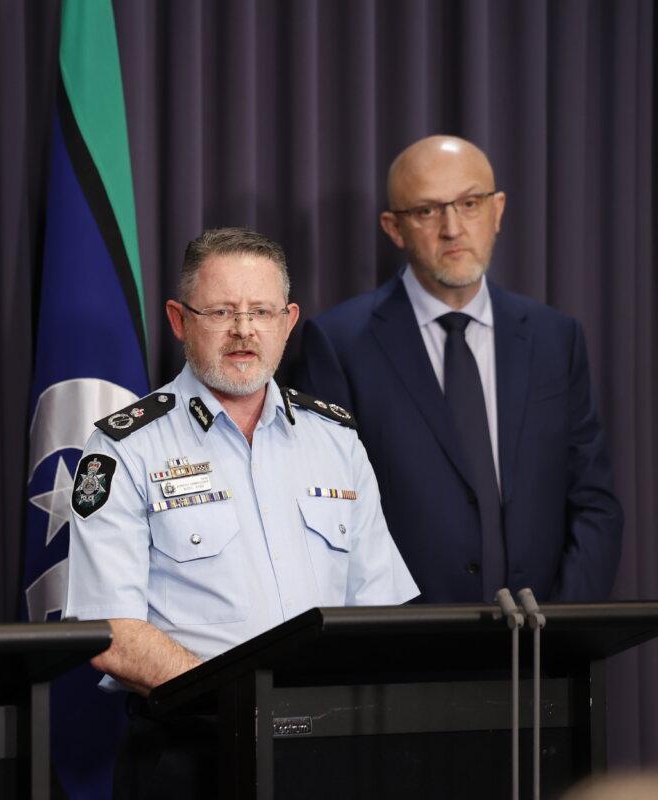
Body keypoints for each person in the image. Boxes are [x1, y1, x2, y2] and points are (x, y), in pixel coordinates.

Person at [64, 227, 418, 798]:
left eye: (260, 311)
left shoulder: (337, 440)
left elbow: (381, 612)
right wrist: (244, 702)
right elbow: (111, 633)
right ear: (180, 321)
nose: (243, 331)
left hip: (328, 753)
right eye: (222, 311)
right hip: (189, 753)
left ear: (288, 320)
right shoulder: (125, 447)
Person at [297, 135, 622, 603]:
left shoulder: (556, 338)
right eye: (428, 211)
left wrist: (562, 634)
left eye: (470, 203)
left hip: (541, 651)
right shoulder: (339, 344)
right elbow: (330, 517)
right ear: (394, 228)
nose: (453, 227)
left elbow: (594, 503)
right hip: (404, 654)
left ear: (498, 210)